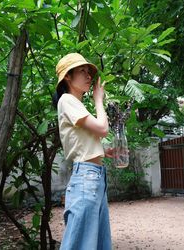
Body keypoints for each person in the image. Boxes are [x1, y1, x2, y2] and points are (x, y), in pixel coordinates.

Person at [54, 53, 112, 250]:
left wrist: (105, 151)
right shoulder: (67, 100)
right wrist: (98, 101)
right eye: (82, 71)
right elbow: (103, 129)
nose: (89, 76)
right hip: (87, 176)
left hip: (95, 177)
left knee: (96, 244)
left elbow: (83, 142)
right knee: (81, 245)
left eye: (89, 72)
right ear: (67, 77)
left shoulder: (76, 104)